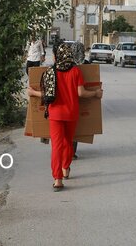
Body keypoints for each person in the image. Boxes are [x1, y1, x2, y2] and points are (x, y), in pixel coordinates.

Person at [27, 43, 103, 191]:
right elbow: (81, 93)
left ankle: (57, 180)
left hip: (55, 114)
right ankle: (65, 168)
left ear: (56, 56)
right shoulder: (75, 71)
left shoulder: (51, 72)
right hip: (71, 113)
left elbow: (47, 95)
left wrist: (32, 93)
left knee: (56, 146)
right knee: (68, 142)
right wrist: (95, 93)